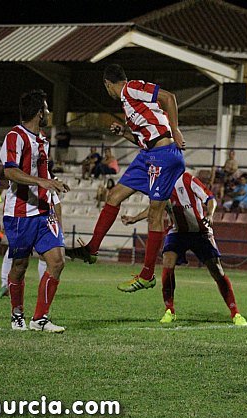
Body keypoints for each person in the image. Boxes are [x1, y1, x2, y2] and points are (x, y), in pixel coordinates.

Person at [66, 64, 185, 293]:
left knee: (155, 215)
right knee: (114, 196)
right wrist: (124, 133)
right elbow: (144, 140)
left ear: (108, 84)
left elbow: (169, 97)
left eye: (106, 88)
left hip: (163, 155)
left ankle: (147, 275)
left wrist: (176, 130)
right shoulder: (130, 106)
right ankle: (92, 249)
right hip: (148, 154)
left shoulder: (131, 88)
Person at [120, 171, 247, 326]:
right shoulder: (160, 185)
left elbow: (210, 198)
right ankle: (169, 310)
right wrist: (134, 218)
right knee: (168, 262)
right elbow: (154, 209)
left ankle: (235, 313)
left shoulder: (187, 179)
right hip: (177, 232)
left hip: (200, 231)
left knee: (217, 270)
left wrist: (210, 214)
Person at [0, 89, 70, 332]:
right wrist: (41, 182)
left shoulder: (42, 140)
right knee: (19, 266)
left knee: (57, 261)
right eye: (47, 109)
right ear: (40, 112)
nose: (49, 113)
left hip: (43, 212)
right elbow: (9, 171)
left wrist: (53, 185)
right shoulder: (15, 136)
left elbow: (44, 174)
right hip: (20, 214)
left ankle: (40, 318)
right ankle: (16, 314)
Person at [0, 192, 62, 299]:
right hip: (22, 220)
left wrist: (59, 228)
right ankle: (5, 286)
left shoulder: (46, 183)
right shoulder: (18, 183)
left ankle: (44, 289)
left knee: (49, 258)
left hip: (43, 220)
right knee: (17, 259)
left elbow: (56, 203)